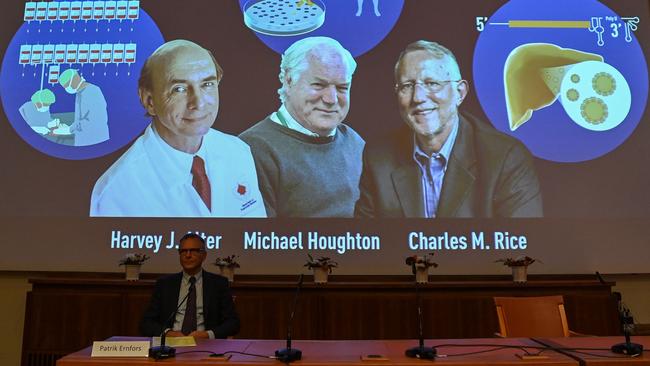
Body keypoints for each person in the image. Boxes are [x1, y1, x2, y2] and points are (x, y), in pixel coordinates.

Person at [355, 40, 543, 218]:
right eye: (407, 86)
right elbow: (368, 243)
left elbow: (523, 242)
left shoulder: (505, 158)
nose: (418, 97)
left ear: (460, 93)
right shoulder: (378, 157)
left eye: (432, 84)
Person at [90, 40, 266, 217]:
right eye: (179, 89)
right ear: (149, 101)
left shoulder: (239, 152)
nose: (198, 102)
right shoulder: (116, 191)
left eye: (207, 84)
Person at [240, 37, 364, 217]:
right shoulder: (251, 149)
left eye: (342, 88)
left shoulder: (355, 143)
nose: (331, 99)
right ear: (289, 81)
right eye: (319, 85)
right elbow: (256, 240)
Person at [140, 233, 239, 339]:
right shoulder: (165, 284)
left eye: (193, 250)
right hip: (172, 344)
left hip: (206, 345)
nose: (187, 255)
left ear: (204, 255)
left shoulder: (218, 284)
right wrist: (167, 333)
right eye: (183, 251)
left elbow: (233, 323)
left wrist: (207, 335)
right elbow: (146, 323)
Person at [58, 69, 109, 146]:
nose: (66, 89)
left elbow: (90, 120)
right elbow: (80, 118)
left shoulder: (92, 92)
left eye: (66, 86)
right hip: (84, 139)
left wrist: (69, 129)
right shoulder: (80, 92)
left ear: (74, 80)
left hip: (95, 139)